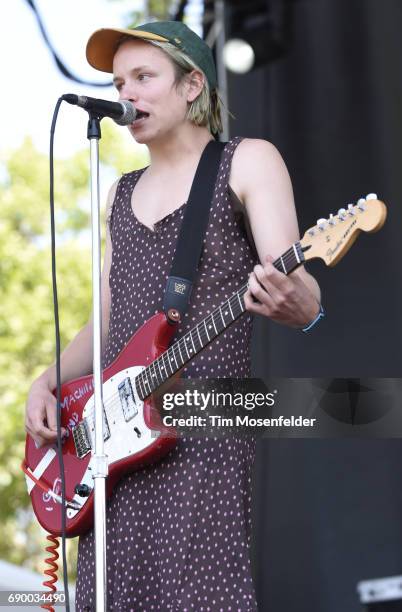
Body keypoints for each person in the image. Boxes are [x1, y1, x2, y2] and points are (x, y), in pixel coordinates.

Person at [25, 20, 321, 611]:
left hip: (205, 418)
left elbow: (297, 285)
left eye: (143, 77)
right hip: (114, 430)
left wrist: (301, 305)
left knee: (201, 592)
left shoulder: (247, 160)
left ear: (191, 87)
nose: (126, 93)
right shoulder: (120, 193)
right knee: (115, 591)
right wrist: (48, 379)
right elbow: (108, 316)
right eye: (117, 81)